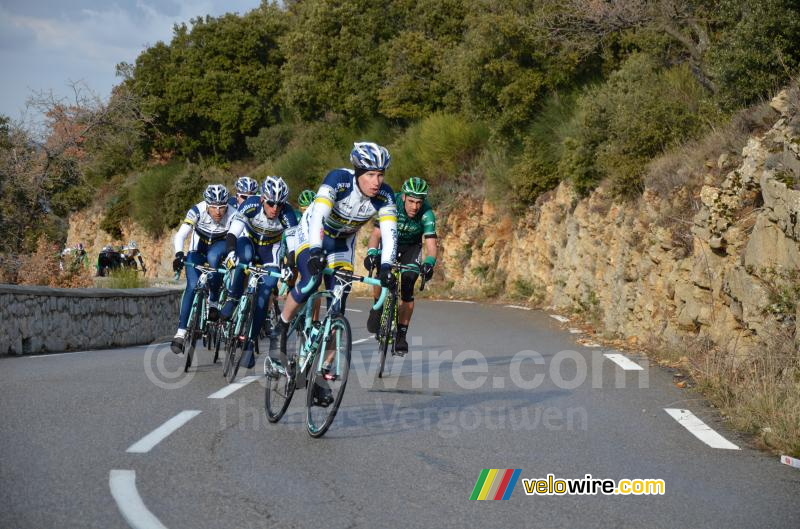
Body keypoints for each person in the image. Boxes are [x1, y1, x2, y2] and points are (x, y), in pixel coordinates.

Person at [272, 142, 398, 406]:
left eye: (381, 175)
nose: (377, 181)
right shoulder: (338, 181)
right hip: (313, 233)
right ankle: (281, 325)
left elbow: (389, 233)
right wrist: (315, 251)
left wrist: (387, 267)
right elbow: (318, 214)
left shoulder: (385, 196)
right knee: (311, 280)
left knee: (338, 306)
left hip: (343, 243)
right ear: (358, 173)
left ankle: (321, 377)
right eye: (371, 175)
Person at [219, 176, 298, 369]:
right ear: (262, 199)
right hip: (249, 242)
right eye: (271, 203)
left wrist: (289, 265)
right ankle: (233, 298)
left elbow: (293, 246)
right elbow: (233, 233)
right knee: (243, 259)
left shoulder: (287, 214)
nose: (275, 209)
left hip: (270, 250)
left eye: (280, 204)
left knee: (265, 292)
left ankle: (249, 344)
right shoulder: (251, 204)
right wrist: (231, 253)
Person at [364, 177, 437, 353]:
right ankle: (377, 306)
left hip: (411, 248)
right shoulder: (391, 204)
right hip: (390, 242)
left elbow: (431, 245)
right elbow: (376, 235)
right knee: (381, 274)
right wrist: (371, 253)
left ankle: (401, 336)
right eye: (411, 201)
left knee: (408, 286)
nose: (415, 207)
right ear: (403, 197)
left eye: (419, 202)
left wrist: (429, 263)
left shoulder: (427, 214)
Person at [170, 184, 236, 355]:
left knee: (215, 263)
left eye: (222, 207)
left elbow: (239, 237)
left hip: (218, 248)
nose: (218, 211)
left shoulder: (233, 213)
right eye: (213, 207)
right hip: (197, 251)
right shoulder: (197, 210)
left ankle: (213, 302)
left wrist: (232, 257)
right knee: (192, 286)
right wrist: (179, 254)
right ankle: (180, 333)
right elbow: (181, 234)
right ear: (207, 204)